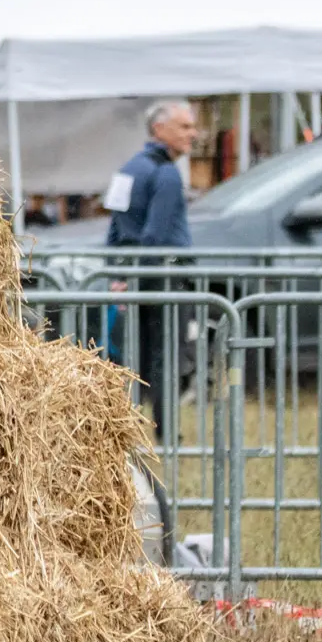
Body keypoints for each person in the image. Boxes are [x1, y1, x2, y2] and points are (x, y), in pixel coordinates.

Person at [103, 99, 197, 440]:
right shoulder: (167, 174)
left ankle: (126, 429)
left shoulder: (128, 170)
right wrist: (139, 277)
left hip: (132, 276)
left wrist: (118, 275)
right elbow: (154, 235)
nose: (193, 134)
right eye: (185, 127)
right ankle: (167, 432)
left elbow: (114, 230)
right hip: (162, 276)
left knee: (132, 355)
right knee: (167, 354)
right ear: (159, 129)